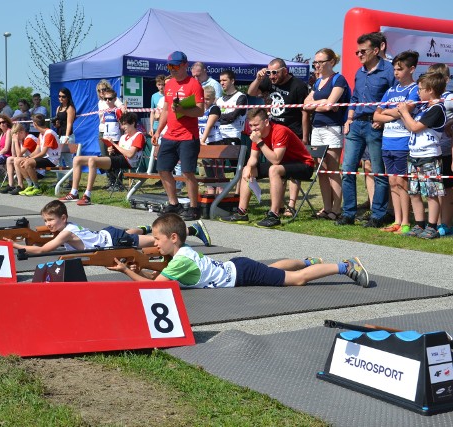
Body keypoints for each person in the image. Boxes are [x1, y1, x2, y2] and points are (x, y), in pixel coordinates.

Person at [107, 213, 369, 289]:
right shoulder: (181, 254)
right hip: (239, 269)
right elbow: (165, 274)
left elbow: (155, 286)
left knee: (297, 280)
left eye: (157, 239)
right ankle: (306, 261)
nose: (155, 243)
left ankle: (346, 266)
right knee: (272, 269)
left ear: (173, 238)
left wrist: (127, 271)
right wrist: (140, 268)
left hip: (241, 272)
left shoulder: (180, 260)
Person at [336, 32, 396, 227]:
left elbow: (395, 98)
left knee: (378, 172)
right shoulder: (359, 72)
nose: (359, 55)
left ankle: (378, 215)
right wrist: (350, 118)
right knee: (348, 171)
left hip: (376, 125)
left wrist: (384, 118)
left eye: (363, 51)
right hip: (356, 125)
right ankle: (348, 213)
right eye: (357, 51)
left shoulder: (389, 70)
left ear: (376, 50)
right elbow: (354, 98)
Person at [220, 108, 314, 228]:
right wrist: (249, 167)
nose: (253, 128)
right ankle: (241, 212)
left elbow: (276, 159)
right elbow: (253, 158)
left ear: (266, 122)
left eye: (256, 125)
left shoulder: (280, 131)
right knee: (248, 169)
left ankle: (274, 215)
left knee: (274, 169)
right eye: (251, 125)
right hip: (283, 164)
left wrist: (259, 142)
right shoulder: (257, 135)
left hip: (304, 165)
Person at [6, 201, 211, 255]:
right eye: (46, 220)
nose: (48, 224)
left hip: (113, 240)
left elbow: (44, 249)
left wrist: (16, 246)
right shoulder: (65, 227)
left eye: (51, 220)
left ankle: (193, 230)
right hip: (108, 234)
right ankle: (145, 226)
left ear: (63, 218)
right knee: (132, 232)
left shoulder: (66, 233)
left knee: (156, 241)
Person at [248, 58, 310, 215]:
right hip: (274, 129)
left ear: (285, 71)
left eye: (274, 72)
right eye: (269, 72)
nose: (272, 76)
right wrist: (259, 78)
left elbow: (304, 112)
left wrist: (304, 135)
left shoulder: (298, 86)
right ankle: (279, 205)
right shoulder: (268, 81)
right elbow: (251, 92)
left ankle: (292, 204)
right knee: (278, 167)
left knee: (292, 168)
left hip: (293, 130)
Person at [153, 51, 205, 220]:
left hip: (188, 137)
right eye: (169, 66)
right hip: (170, 135)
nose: (172, 69)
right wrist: (158, 131)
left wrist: (183, 110)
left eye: (175, 66)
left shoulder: (194, 85)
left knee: (188, 172)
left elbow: (200, 110)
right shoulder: (169, 85)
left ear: (184, 65)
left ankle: (194, 207)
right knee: (162, 168)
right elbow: (166, 110)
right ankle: (173, 204)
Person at [372, 51, 420, 234]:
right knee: (392, 181)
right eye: (394, 69)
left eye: (400, 69)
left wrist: (389, 112)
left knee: (402, 182)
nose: (396, 72)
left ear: (412, 69)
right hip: (387, 142)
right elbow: (376, 114)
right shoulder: (390, 90)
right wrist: (396, 111)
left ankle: (406, 221)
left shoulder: (414, 89)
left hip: (403, 142)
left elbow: (407, 109)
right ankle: (397, 221)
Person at [397, 72, 448, 239]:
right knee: (414, 191)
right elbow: (409, 126)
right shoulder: (424, 108)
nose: (418, 92)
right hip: (414, 155)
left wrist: (404, 113)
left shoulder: (437, 109)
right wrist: (403, 113)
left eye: (420, 89)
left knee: (431, 193)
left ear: (431, 90)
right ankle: (419, 224)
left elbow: (415, 127)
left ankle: (432, 226)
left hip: (429, 155)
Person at [303, 48, 351, 221]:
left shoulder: (338, 79)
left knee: (332, 169)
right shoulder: (318, 82)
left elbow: (330, 105)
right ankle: (327, 207)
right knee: (321, 170)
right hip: (318, 127)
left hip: (332, 128)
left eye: (320, 62)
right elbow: (305, 104)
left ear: (331, 62)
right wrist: (321, 103)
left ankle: (336, 209)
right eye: (315, 62)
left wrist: (322, 104)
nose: (317, 65)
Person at [60, 112, 144, 206]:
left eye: (124, 124)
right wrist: (112, 149)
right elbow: (120, 151)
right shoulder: (124, 137)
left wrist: (115, 145)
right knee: (77, 159)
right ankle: (74, 192)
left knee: (92, 161)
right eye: (122, 124)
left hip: (128, 162)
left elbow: (130, 154)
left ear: (132, 123)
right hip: (118, 158)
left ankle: (87, 195)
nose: (122, 127)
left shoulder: (138, 135)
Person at [427, 63, 453, 237]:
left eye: (438, 77)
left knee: (448, 188)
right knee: (435, 188)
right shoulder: (426, 97)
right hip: (431, 150)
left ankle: (446, 223)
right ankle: (434, 222)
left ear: (446, 79)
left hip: (446, 149)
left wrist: (449, 124)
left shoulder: (450, 97)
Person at [18, 113, 61, 196]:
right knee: (19, 161)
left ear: (34, 124)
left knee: (28, 163)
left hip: (52, 160)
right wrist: (28, 157)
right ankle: (30, 185)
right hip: (46, 158)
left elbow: (43, 153)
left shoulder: (49, 134)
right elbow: (37, 151)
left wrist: (29, 159)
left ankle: (37, 187)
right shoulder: (41, 134)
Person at [96, 80, 125, 189]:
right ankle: (110, 181)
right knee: (105, 157)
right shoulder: (100, 102)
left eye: (103, 89)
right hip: (103, 131)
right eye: (99, 90)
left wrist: (121, 110)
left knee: (115, 157)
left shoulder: (114, 99)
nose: (101, 92)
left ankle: (118, 182)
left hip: (114, 132)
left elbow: (122, 107)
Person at [0, 123, 38, 194]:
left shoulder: (29, 138)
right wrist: (14, 142)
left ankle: (21, 185)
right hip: (27, 159)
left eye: (16, 135)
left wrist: (16, 141)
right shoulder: (21, 140)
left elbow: (19, 155)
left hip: (35, 160)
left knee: (16, 160)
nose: (16, 137)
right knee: (9, 159)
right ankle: (11, 185)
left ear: (22, 132)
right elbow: (14, 154)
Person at [199, 86, 223, 194]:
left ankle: (222, 192)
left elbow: (209, 126)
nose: (205, 101)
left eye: (208, 98)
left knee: (218, 170)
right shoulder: (199, 109)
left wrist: (202, 140)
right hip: (203, 142)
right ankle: (210, 193)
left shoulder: (214, 109)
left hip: (215, 142)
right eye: (203, 98)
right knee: (208, 170)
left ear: (213, 99)